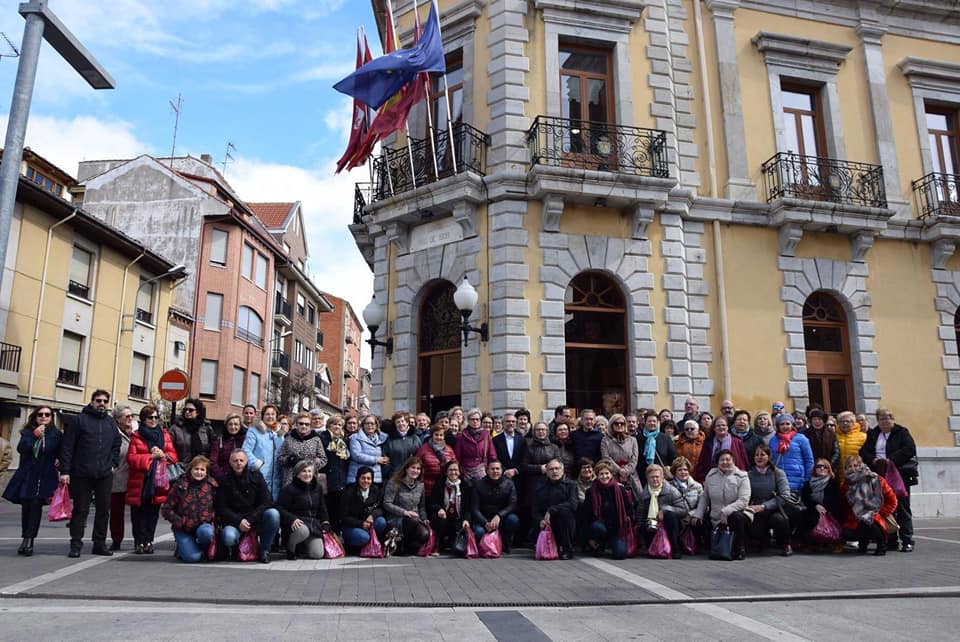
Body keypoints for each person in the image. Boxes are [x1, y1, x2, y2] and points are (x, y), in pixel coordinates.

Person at [60, 390, 121, 558]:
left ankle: (99, 544)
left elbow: (117, 443)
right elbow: (67, 447)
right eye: (98, 400)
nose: (102, 403)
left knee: (103, 510)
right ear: (92, 401)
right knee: (80, 509)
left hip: (104, 474)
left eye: (105, 401)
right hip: (81, 473)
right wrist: (65, 471)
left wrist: (113, 463)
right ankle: (76, 544)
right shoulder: (79, 421)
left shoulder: (110, 423)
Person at [3, 405, 62, 556]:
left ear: (51, 418)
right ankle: (25, 537)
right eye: (40, 414)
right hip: (28, 474)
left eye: (47, 415)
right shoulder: (28, 432)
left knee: (36, 505)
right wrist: (35, 436)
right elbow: (21, 448)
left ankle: (29, 540)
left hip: (45, 475)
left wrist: (60, 462)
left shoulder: (56, 434)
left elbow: (61, 452)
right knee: (27, 506)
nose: (44, 417)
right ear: (35, 417)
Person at [860, 408, 917, 552]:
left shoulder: (902, 432)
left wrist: (890, 460)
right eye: (881, 419)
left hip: (898, 475)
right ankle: (891, 539)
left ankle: (907, 540)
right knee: (884, 507)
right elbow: (863, 451)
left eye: (887, 418)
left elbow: (909, 449)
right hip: (878, 475)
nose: (885, 421)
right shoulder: (873, 434)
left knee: (902, 507)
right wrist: (873, 460)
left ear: (893, 419)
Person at [125, 405, 179, 554]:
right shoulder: (136, 437)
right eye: (150, 417)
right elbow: (131, 459)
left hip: (158, 481)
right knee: (138, 514)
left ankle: (149, 540)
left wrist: (163, 455)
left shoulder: (165, 435)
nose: (154, 420)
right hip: (140, 481)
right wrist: (150, 457)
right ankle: (139, 542)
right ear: (143, 419)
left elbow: (173, 457)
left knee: (153, 513)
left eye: (156, 417)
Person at [215, 449, 280, 564]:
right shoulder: (224, 480)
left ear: (246, 462)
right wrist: (239, 521)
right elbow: (221, 507)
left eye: (241, 460)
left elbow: (268, 501)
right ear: (230, 463)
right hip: (235, 521)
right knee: (228, 537)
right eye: (235, 461)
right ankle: (237, 548)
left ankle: (264, 550)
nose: (238, 463)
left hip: (255, 518)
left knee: (273, 514)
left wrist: (250, 519)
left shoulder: (256, 476)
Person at [690, 450, 752, 560]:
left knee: (736, 517)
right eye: (722, 460)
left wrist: (726, 511)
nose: (725, 462)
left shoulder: (742, 476)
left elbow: (743, 500)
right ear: (717, 462)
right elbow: (705, 497)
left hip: (738, 514)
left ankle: (738, 549)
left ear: (733, 461)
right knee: (696, 520)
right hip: (716, 516)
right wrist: (698, 514)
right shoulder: (711, 475)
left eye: (728, 460)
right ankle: (706, 546)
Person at [161, 455, 217, 563]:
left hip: (203, 526)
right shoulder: (180, 484)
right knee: (192, 558)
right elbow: (166, 509)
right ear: (190, 469)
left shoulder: (211, 486)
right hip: (183, 527)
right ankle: (183, 548)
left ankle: (202, 549)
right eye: (196, 469)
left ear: (206, 472)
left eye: (202, 469)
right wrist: (179, 522)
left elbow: (217, 507)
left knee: (207, 533)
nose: (199, 472)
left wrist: (212, 519)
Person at [840, 454, 898, 555]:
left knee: (869, 519)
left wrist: (881, 513)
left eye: (856, 465)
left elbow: (892, 500)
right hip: (856, 518)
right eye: (850, 466)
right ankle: (863, 544)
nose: (853, 469)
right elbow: (845, 506)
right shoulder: (846, 484)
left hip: (876, 516)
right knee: (851, 529)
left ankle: (881, 545)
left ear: (861, 465)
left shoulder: (875, 479)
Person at [277, 459, 331, 560]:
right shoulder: (289, 489)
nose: (307, 474)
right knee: (303, 531)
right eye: (304, 471)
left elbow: (322, 508)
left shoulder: (318, 488)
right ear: (297, 474)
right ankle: (291, 549)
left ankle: (302, 547)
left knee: (317, 554)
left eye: (310, 471)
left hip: (313, 524)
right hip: (296, 524)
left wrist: (325, 521)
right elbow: (280, 508)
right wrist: (292, 519)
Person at [583, 459, 636, 559]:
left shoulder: (620, 489)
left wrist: (627, 524)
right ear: (597, 475)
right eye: (601, 474)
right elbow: (586, 516)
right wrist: (589, 538)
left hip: (617, 529)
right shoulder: (591, 492)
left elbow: (629, 509)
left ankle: (612, 544)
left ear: (611, 474)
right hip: (600, 527)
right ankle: (599, 545)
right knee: (597, 527)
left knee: (621, 554)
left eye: (607, 473)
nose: (604, 476)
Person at [746, 444, 793, 556]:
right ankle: (762, 541)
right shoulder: (749, 474)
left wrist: (764, 506)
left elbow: (785, 495)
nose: (759, 457)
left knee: (779, 520)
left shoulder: (778, 473)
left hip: (775, 508)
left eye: (763, 454)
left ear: (769, 457)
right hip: (756, 509)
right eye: (756, 455)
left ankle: (785, 544)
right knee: (755, 528)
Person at [635, 463, 686, 558]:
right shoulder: (644, 494)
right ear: (647, 478)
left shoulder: (672, 491)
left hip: (670, 526)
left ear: (662, 477)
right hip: (652, 525)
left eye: (657, 477)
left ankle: (675, 549)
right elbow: (640, 515)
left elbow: (683, 510)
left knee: (670, 516)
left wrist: (666, 510)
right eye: (652, 477)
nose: (655, 479)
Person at [382, 456, 430, 555]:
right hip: (396, 518)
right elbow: (387, 503)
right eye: (413, 468)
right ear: (406, 468)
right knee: (412, 520)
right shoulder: (395, 482)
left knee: (425, 534)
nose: (415, 471)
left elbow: (421, 506)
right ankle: (401, 545)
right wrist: (404, 512)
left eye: (418, 469)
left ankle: (406, 546)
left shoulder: (420, 485)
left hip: (415, 519)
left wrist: (424, 518)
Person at [532, 458, 578, 560]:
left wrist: (552, 510)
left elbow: (573, 504)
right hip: (547, 524)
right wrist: (540, 520)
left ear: (562, 470)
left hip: (565, 524)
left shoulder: (571, 485)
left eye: (557, 468)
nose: (554, 471)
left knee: (566, 514)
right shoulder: (540, 487)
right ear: (546, 472)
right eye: (551, 469)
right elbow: (535, 509)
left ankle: (567, 550)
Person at [470, 460, 519, 553]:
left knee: (513, 520)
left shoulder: (509, 483)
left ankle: (505, 545)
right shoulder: (478, 484)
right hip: (484, 518)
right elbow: (474, 509)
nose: (495, 471)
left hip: (501, 518)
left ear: (501, 471)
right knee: (479, 532)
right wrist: (485, 523)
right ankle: (484, 548)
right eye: (492, 469)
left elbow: (513, 504)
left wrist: (499, 515)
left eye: (497, 469)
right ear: (487, 470)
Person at [428, 460, 473, 552]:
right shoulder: (439, 485)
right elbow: (432, 503)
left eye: (456, 470)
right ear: (446, 472)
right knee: (436, 519)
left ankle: (454, 544)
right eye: (450, 470)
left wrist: (466, 520)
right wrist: (439, 509)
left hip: (458, 519)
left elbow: (469, 507)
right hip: (444, 518)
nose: (453, 472)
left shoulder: (465, 486)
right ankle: (436, 546)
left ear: (459, 472)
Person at [799, 458, 845, 547]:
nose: (822, 468)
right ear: (814, 469)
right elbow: (805, 499)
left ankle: (827, 541)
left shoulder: (833, 483)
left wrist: (825, 509)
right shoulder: (808, 484)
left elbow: (837, 501)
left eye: (825, 467)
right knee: (807, 516)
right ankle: (811, 542)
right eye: (819, 466)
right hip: (813, 510)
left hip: (829, 512)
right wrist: (815, 506)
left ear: (829, 469)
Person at [242, 404, 284, 500]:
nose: (270, 416)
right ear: (263, 416)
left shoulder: (279, 434)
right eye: (267, 414)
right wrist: (257, 464)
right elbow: (245, 450)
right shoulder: (254, 431)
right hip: (260, 475)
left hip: (276, 478)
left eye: (273, 414)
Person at [340, 466, 387, 550]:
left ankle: (374, 545)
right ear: (358, 478)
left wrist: (372, 515)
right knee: (363, 537)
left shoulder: (376, 490)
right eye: (363, 478)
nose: (366, 481)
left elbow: (381, 508)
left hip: (368, 523)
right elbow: (343, 517)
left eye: (369, 478)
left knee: (381, 522)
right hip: (352, 526)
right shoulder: (349, 493)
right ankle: (350, 546)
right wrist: (361, 524)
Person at [768, 413, 815, 493]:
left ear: (792, 425)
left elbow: (809, 460)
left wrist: (807, 478)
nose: (785, 426)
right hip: (779, 479)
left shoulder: (801, 438)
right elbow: (770, 460)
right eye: (782, 424)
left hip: (798, 478)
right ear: (778, 426)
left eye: (787, 424)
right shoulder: (773, 440)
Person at [278, 412, 327, 488]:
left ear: (310, 425)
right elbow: (280, 458)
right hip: (291, 480)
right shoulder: (288, 438)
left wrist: (310, 464)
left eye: (307, 424)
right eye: (301, 423)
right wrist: (289, 460)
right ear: (296, 424)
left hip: (309, 480)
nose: (304, 426)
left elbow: (323, 459)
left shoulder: (316, 439)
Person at [109, 405, 135, 550]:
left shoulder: (136, 434)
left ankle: (139, 540)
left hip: (134, 480)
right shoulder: (113, 434)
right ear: (118, 419)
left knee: (136, 513)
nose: (130, 418)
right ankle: (116, 539)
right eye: (127, 416)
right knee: (116, 513)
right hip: (117, 479)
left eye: (132, 416)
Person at [320, 414, 351, 533]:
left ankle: (336, 537)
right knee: (328, 508)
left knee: (338, 510)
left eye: (340, 425)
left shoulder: (344, 440)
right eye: (334, 424)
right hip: (327, 477)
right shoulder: (323, 438)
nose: (337, 427)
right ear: (328, 425)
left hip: (340, 478)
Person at [694, 416, 749, 482]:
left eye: (723, 425)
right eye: (718, 426)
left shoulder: (737, 442)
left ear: (727, 427)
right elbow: (702, 462)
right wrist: (702, 479)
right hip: (712, 479)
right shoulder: (708, 442)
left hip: (733, 480)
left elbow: (744, 462)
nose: (721, 427)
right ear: (714, 428)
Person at [601, 414, 640, 497]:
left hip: (631, 475)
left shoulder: (632, 440)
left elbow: (634, 458)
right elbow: (606, 457)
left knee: (638, 498)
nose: (619, 425)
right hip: (613, 474)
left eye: (622, 423)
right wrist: (619, 471)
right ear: (611, 425)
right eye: (616, 423)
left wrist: (626, 471)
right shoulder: (605, 440)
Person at [669, 456, 704, 549]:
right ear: (674, 472)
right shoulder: (668, 486)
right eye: (680, 470)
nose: (683, 472)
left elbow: (702, 505)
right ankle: (676, 547)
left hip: (692, 516)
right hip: (677, 517)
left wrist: (690, 515)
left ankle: (699, 544)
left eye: (685, 469)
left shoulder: (697, 486)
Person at [454, 408, 496, 482]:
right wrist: (460, 470)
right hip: (466, 472)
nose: (475, 421)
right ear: (468, 420)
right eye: (472, 419)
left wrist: (490, 468)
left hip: (483, 470)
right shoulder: (461, 436)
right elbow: (457, 456)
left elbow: (492, 455)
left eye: (477, 419)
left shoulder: (486, 435)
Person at [415, 424, 457, 496]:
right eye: (436, 435)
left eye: (441, 435)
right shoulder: (423, 449)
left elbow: (455, 464)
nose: (439, 437)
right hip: (427, 487)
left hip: (445, 487)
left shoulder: (449, 449)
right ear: (432, 435)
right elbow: (417, 464)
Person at [168, 398, 214, 463]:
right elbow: (168, 449)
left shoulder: (207, 428)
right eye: (185, 409)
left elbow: (214, 449)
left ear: (197, 412)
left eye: (190, 410)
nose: (187, 412)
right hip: (181, 468)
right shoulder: (175, 428)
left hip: (200, 469)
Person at [347, 415, 389, 484]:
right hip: (358, 477)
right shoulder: (355, 437)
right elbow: (356, 455)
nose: (370, 425)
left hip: (375, 478)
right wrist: (376, 460)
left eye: (372, 423)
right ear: (363, 425)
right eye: (367, 423)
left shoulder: (382, 439)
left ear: (376, 426)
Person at [382, 412, 421, 482]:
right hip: (394, 475)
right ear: (395, 424)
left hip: (411, 476)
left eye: (402, 421)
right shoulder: (390, 439)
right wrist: (389, 472)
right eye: (398, 422)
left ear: (407, 422)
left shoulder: (415, 438)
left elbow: (419, 456)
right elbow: (385, 457)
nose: (401, 424)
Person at [209, 413, 246, 481]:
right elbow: (212, 462)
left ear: (240, 426)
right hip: (224, 477)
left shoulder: (245, 440)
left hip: (243, 478)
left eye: (236, 424)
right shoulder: (218, 441)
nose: (233, 427)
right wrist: (221, 476)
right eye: (230, 424)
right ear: (226, 426)